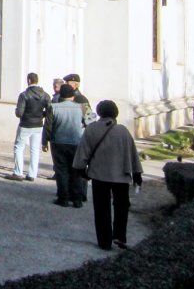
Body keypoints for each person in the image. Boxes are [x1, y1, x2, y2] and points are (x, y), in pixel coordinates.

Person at [72, 100, 142, 251]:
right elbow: (133, 154)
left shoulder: (91, 129)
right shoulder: (123, 131)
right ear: (115, 113)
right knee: (122, 206)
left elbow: (83, 151)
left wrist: (80, 169)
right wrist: (137, 174)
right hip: (121, 175)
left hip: (99, 175)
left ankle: (104, 241)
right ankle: (119, 235)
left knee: (101, 208)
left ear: (99, 112)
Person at [44, 84, 87, 208]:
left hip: (58, 142)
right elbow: (91, 122)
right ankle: (77, 199)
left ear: (61, 96)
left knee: (61, 170)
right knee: (76, 170)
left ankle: (63, 198)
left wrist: (44, 141)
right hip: (76, 142)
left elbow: (48, 126)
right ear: (73, 96)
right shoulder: (83, 107)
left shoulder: (53, 107)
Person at [9, 72, 49, 181]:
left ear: (29, 80)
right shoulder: (45, 95)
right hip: (38, 125)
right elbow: (49, 110)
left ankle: (18, 172)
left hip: (25, 124)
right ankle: (32, 174)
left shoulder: (24, 95)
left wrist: (17, 111)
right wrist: (41, 115)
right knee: (35, 149)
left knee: (19, 147)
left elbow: (19, 113)